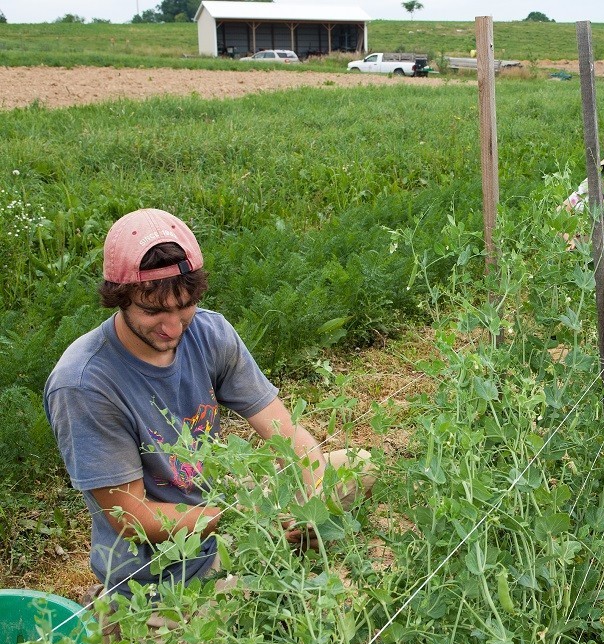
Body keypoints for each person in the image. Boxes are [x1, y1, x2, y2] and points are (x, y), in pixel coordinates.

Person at [44, 208, 372, 600]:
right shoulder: (84, 383)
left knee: (359, 467)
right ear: (119, 298)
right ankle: (121, 614)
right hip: (164, 570)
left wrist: (311, 504)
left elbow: (286, 432)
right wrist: (246, 521)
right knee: (267, 617)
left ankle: (277, 557)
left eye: (184, 306)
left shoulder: (209, 333)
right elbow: (134, 517)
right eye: (153, 311)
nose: (172, 327)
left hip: (223, 506)